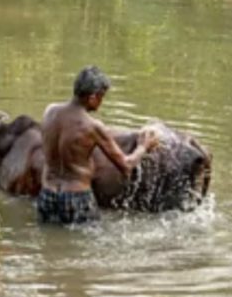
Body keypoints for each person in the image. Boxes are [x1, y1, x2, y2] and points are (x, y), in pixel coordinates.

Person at [38, 66, 158, 224]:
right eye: (102, 97)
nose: (102, 102)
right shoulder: (92, 126)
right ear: (93, 97)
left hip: (47, 195)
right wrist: (144, 146)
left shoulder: (49, 112)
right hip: (77, 199)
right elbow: (126, 166)